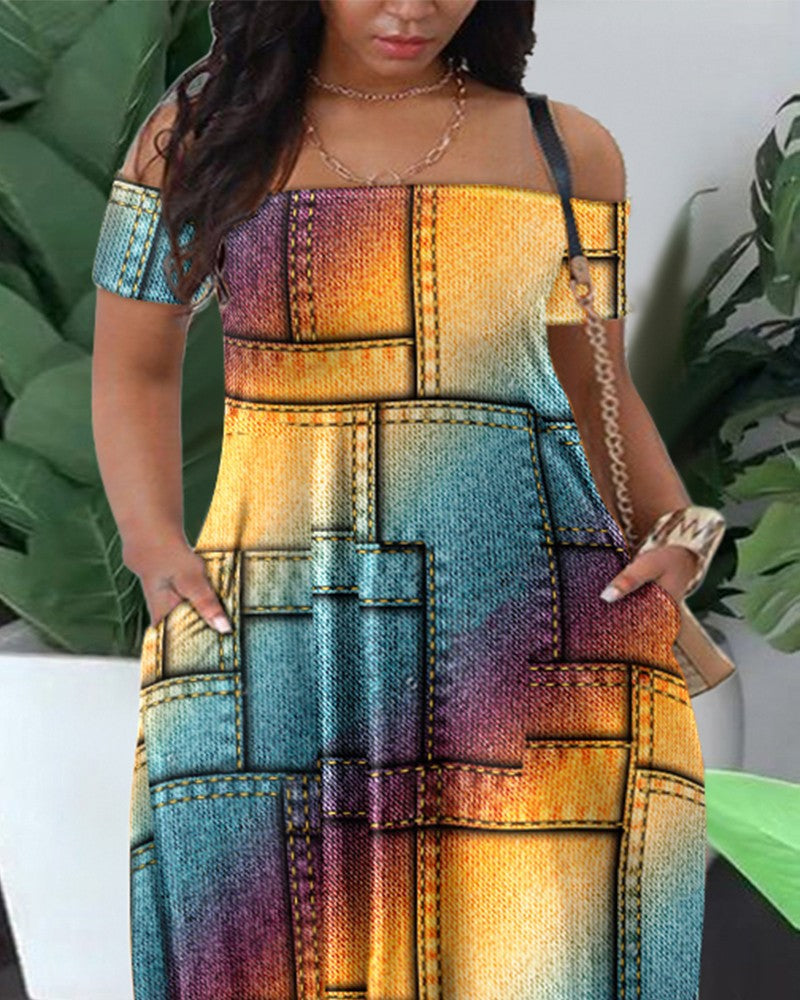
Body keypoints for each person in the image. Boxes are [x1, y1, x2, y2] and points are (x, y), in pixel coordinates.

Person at [91, 2, 718, 998]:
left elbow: (596, 383)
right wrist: (151, 542)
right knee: (260, 943)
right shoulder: (201, 135)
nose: (412, 8)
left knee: (536, 948)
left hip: (524, 630)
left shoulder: (568, 151)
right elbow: (135, 364)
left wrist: (682, 534)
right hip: (278, 620)